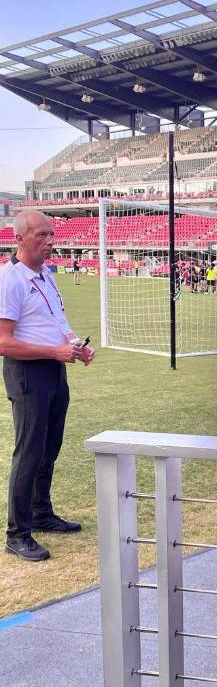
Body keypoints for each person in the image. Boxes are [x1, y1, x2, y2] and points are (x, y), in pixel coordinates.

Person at [0, 211, 95, 562]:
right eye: (41, 235)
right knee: (29, 452)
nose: (50, 240)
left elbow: (59, 322)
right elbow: (4, 343)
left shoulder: (47, 276)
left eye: (51, 234)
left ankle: (41, 513)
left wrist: (75, 346)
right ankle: (17, 532)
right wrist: (54, 351)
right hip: (28, 374)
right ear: (20, 239)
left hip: (55, 370)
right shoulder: (10, 280)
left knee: (49, 448)